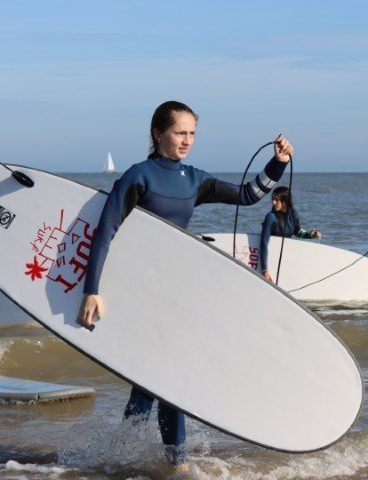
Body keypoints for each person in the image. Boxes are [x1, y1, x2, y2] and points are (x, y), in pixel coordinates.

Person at [77, 101, 293, 471]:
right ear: (158, 133)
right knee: (165, 375)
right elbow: (105, 231)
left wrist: (277, 164)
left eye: (192, 133)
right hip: (140, 290)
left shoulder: (194, 179)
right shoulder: (137, 176)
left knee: (154, 378)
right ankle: (171, 462)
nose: (187, 140)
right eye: (180, 132)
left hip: (174, 290)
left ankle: (122, 455)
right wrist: (91, 289)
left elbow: (247, 195)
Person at [260, 186, 320, 283]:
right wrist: (264, 270)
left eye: (276, 200)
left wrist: (310, 235)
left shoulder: (293, 213)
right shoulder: (270, 217)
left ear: (285, 201)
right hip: (271, 258)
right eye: (273, 199)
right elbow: (263, 243)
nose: (273, 203)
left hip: (284, 257)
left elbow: (298, 232)